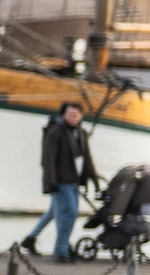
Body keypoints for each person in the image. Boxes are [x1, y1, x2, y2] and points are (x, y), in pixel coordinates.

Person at [24, 100, 99, 261]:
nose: (72, 117)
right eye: (69, 114)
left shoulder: (82, 133)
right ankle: (61, 250)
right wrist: (51, 181)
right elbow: (48, 159)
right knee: (69, 214)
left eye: (76, 115)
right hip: (60, 181)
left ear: (81, 116)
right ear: (64, 115)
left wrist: (94, 179)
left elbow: (87, 159)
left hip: (74, 181)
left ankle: (30, 238)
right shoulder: (56, 132)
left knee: (54, 212)